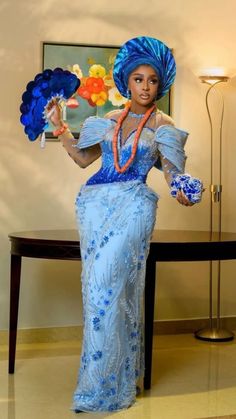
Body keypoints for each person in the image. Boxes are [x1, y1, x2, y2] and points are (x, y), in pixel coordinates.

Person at [47, 36, 201, 413]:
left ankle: (105, 389)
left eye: (152, 80)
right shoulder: (108, 121)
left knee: (108, 290)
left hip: (134, 205)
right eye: (138, 79)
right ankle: (111, 376)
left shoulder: (164, 126)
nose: (145, 87)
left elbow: (171, 173)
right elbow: (84, 160)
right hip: (94, 207)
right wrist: (60, 127)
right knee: (96, 293)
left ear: (160, 83)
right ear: (126, 82)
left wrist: (184, 189)